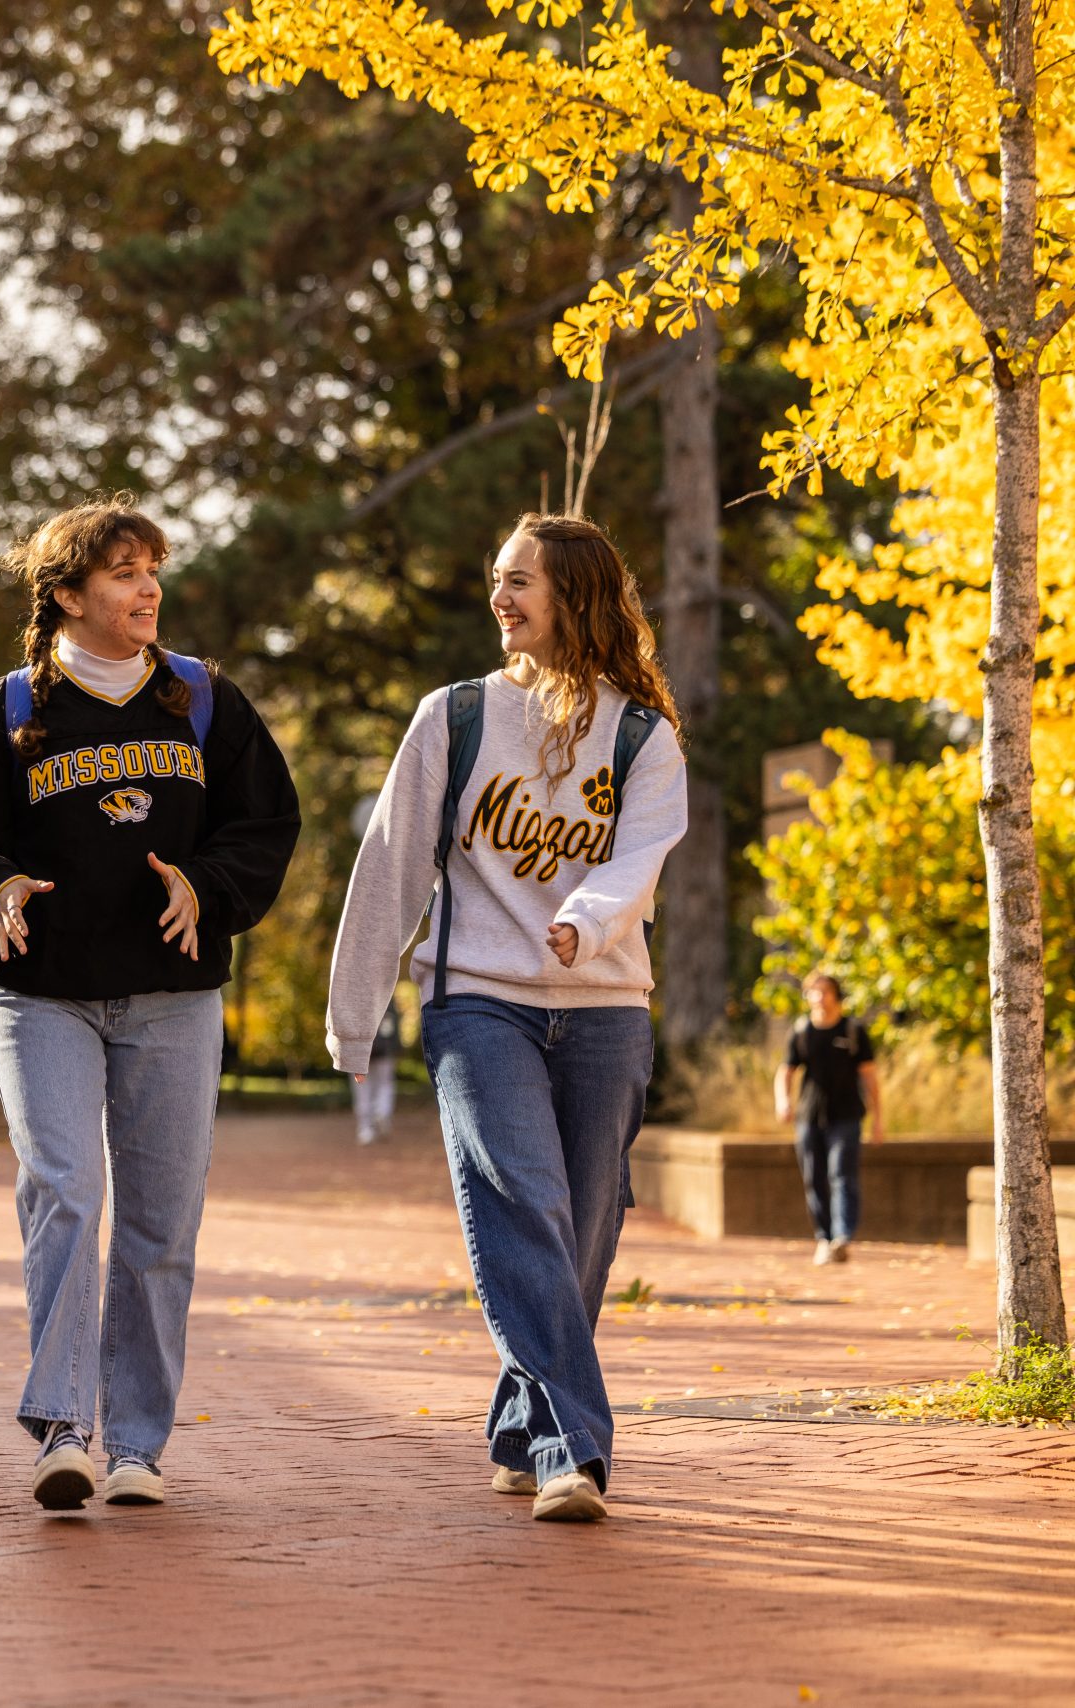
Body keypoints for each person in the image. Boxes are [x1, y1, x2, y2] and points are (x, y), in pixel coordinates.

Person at [0, 496, 300, 1512]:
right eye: (123, 572)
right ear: (68, 594)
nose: (147, 588)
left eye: (153, 569)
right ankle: (62, 1431)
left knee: (160, 1224)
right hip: (40, 997)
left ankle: (135, 1444)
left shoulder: (204, 702)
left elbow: (265, 825)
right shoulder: (4, 714)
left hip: (172, 998)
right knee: (67, 1189)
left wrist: (203, 887)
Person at [325, 512, 687, 1524]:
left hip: (607, 1004)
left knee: (583, 1229)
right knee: (524, 1203)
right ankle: (574, 1448)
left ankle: (517, 1428)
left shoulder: (641, 734)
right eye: (496, 579)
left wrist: (583, 919)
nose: (500, 598)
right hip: (478, 1001)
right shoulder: (455, 717)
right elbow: (393, 862)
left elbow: (640, 853)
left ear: (575, 595)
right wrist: (353, 1016)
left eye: (520, 581)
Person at [774, 971, 883, 1264]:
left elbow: (870, 1077)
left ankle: (842, 1237)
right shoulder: (801, 1031)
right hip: (809, 1117)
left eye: (826, 991)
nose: (821, 997)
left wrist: (878, 1119)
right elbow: (785, 1071)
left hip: (847, 1116)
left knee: (842, 1175)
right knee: (815, 1178)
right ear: (808, 996)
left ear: (837, 996)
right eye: (815, 992)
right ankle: (823, 1238)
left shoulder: (853, 1031)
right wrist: (783, 1101)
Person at [355, 1004, 403, 1145]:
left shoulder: (354, 992)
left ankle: (365, 1128)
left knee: (362, 1087)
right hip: (384, 1050)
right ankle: (382, 1112)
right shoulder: (387, 995)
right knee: (385, 1084)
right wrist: (395, 1046)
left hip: (360, 1049)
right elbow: (392, 1025)